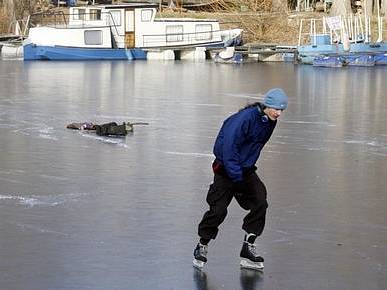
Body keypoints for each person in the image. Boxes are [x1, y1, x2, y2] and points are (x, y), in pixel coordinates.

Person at [193, 88, 288, 270]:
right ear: (267, 104)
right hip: (225, 170)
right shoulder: (244, 119)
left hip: (245, 169)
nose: (279, 113)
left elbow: (252, 148)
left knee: (260, 201)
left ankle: (248, 247)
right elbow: (229, 147)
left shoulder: (269, 121)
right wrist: (236, 178)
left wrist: (243, 173)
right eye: (276, 108)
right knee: (218, 211)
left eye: (282, 110)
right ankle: (202, 245)